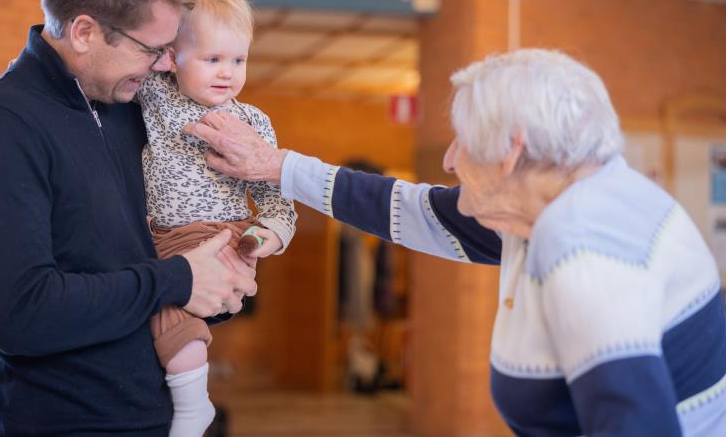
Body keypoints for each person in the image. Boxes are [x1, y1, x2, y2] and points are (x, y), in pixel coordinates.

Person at [188, 49, 726, 436]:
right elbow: (409, 209)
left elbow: (636, 423)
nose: (447, 160)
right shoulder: (571, 197)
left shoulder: (583, 245)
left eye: (461, 141)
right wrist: (275, 165)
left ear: (512, 151)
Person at [0, 0, 257, 436]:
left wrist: (218, 284)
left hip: (150, 416)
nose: (161, 67)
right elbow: (21, 317)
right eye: (149, 48)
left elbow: (146, 262)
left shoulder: (129, 108)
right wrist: (180, 278)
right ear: (85, 31)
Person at [137, 0, 296, 436]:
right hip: (159, 234)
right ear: (173, 58)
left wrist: (270, 236)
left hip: (218, 234)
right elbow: (130, 57)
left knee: (168, 313)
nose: (227, 72)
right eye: (212, 59)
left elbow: (277, 201)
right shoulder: (158, 97)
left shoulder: (252, 122)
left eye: (238, 59)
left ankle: (193, 410)